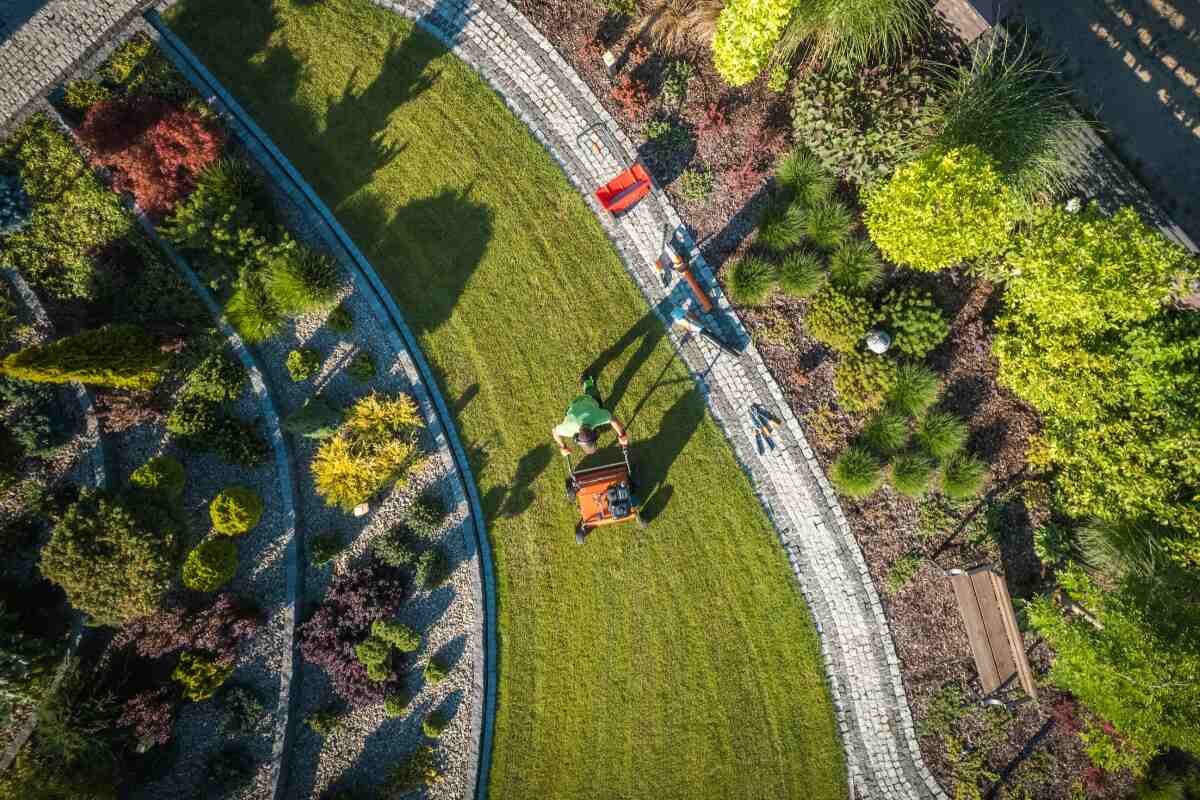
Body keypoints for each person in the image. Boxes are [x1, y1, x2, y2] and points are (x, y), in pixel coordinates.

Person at [552, 374, 628, 456]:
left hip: (588, 400)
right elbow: (554, 432)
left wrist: (622, 435)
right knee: (590, 390)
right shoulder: (568, 428)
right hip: (576, 405)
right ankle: (586, 380)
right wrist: (563, 447)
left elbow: (613, 419)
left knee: (592, 392)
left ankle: (587, 381)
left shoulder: (598, 416)